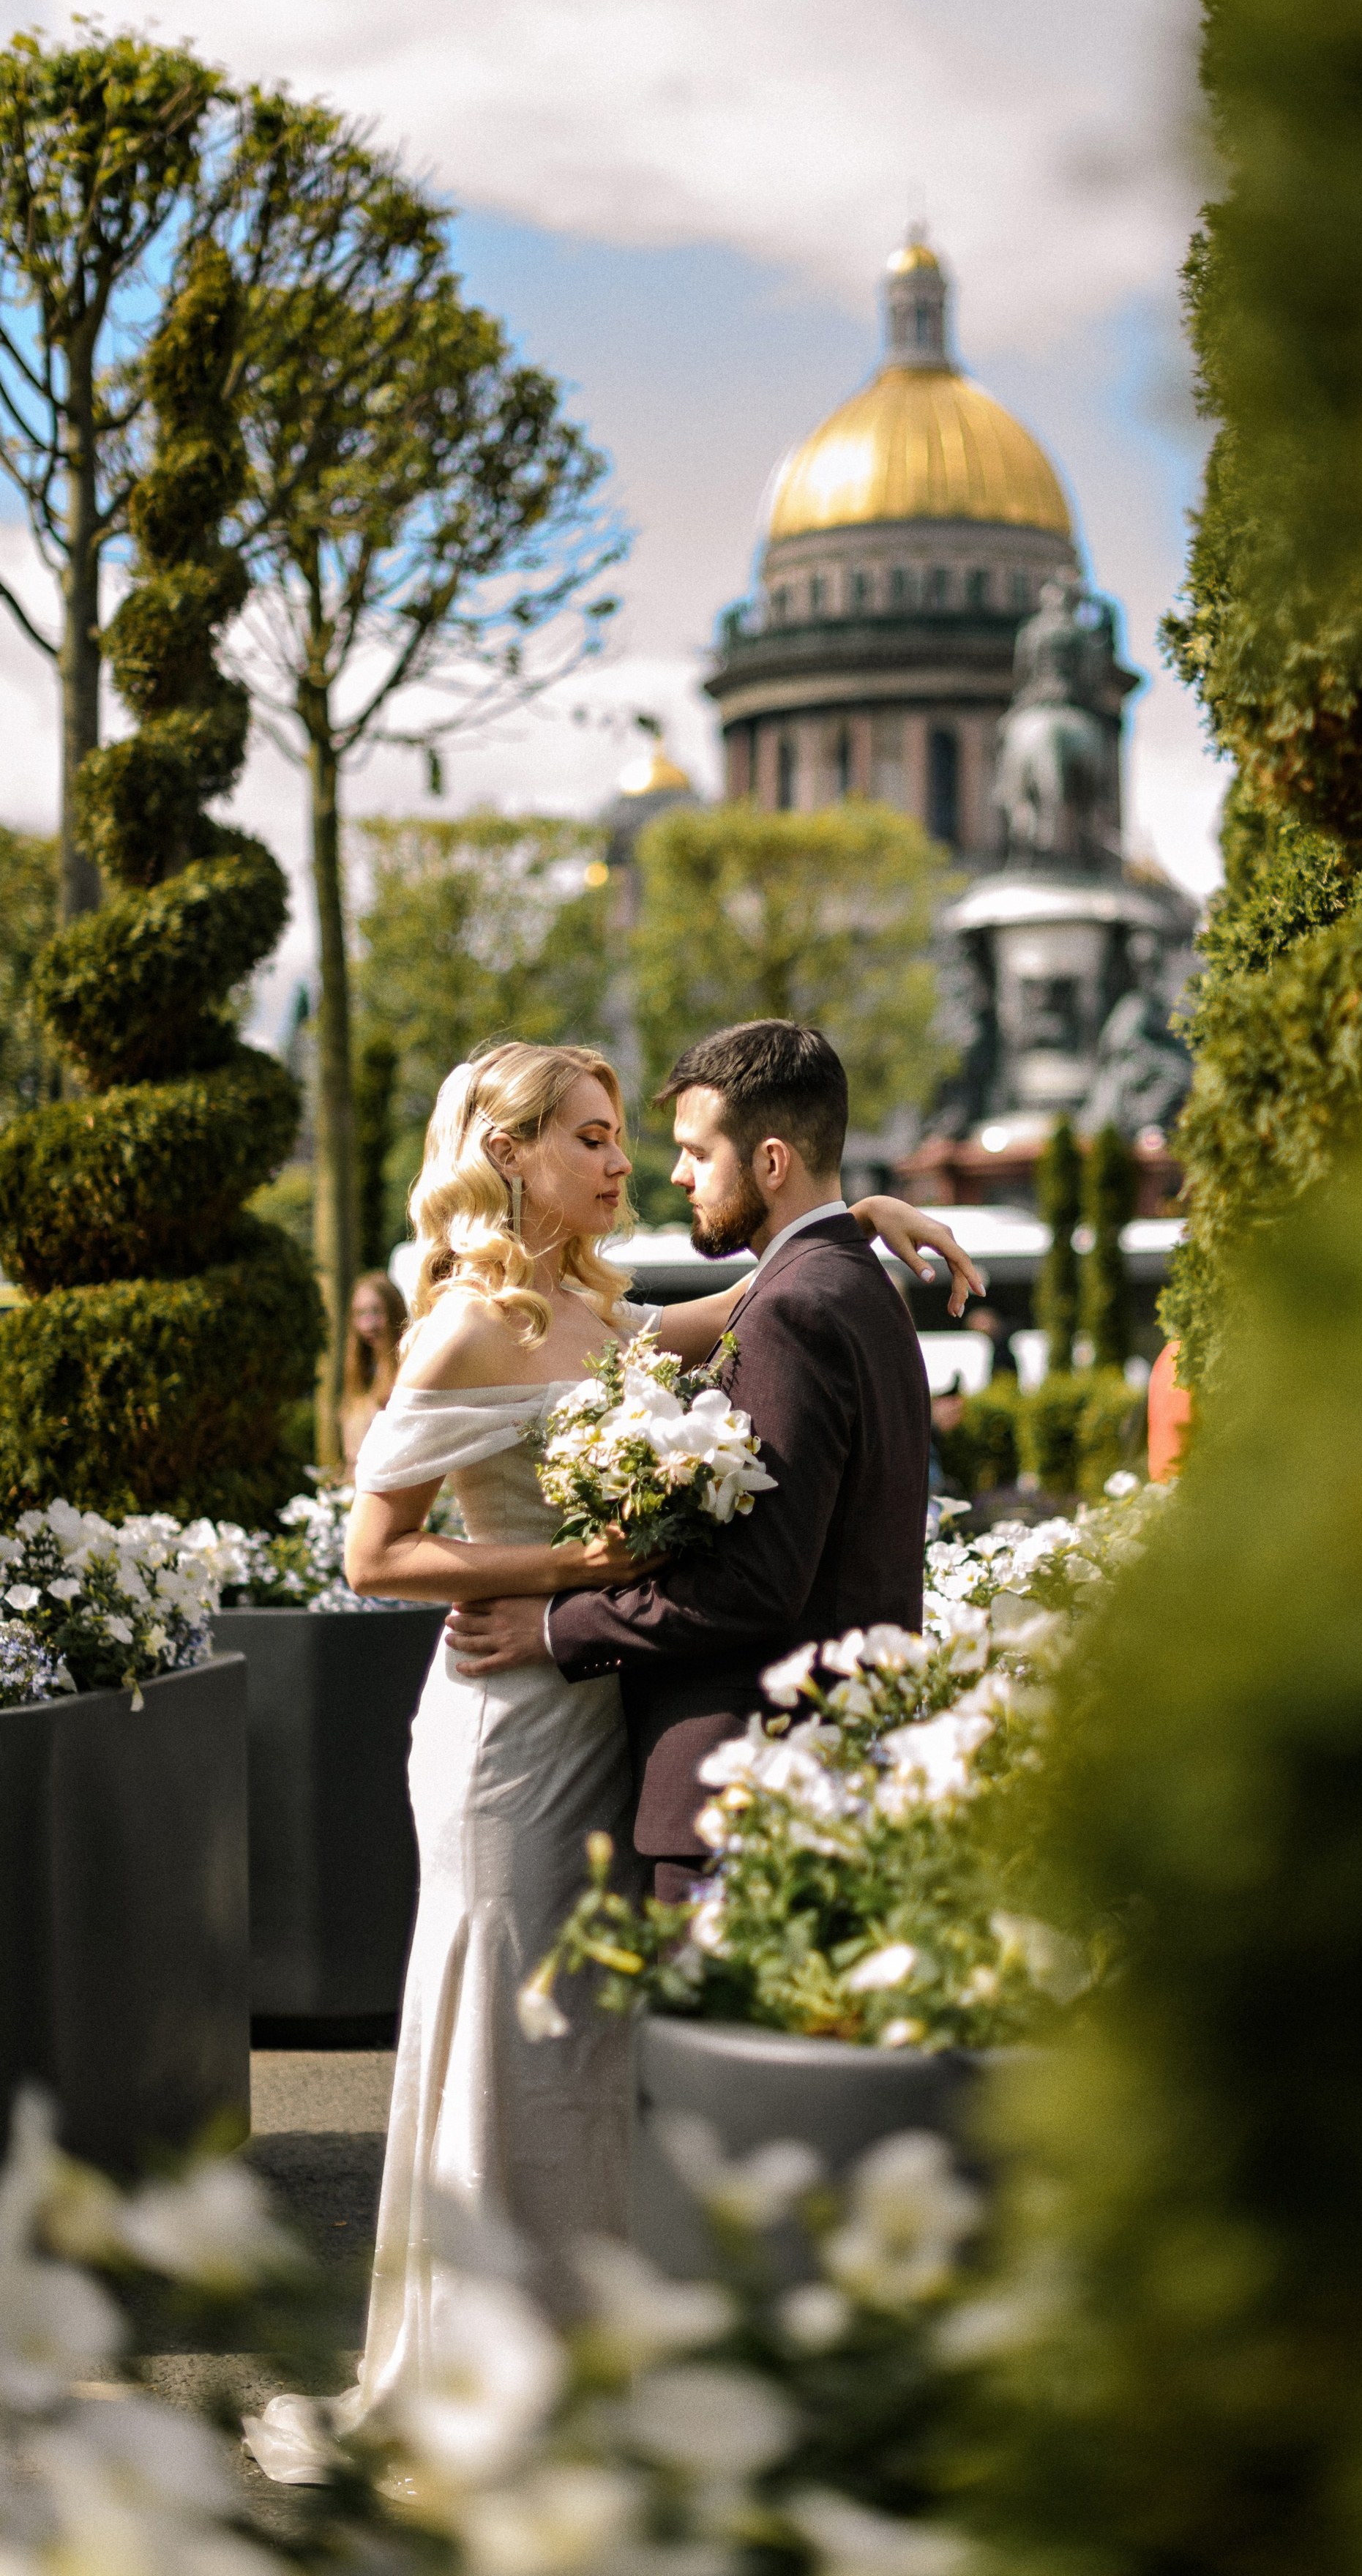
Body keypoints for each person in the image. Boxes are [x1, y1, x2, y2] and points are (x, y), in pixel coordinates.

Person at [248, 1034, 980, 2482]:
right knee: (504, 2039)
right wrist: (567, 1571)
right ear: (507, 1154)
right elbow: (375, 1554)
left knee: (579, 2056)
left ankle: (580, 2370)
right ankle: (475, 2385)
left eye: (623, 1137)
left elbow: (763, 1292)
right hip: (507, 1726)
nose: (621, 1161)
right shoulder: (462, 1330)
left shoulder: (599, 1311)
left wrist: (860, 1212)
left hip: (598, 1705)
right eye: (589, 1136)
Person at [446, 1020, 934, 1908]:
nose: (672, 1175)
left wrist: (555, 1630)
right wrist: (861, 1217)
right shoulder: (854, 1287)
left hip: (745, 1791)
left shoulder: (793, 1310)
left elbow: (755, 1584)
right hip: (820, 1774)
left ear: (772, 1162)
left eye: (697, 1153)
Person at [338, 1267, 408, 1477]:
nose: (369, 1325)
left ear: (395, 1314)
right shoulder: (360, 1377)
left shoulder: (408, 1373)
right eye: (361, 1314)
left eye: (377, 1312)